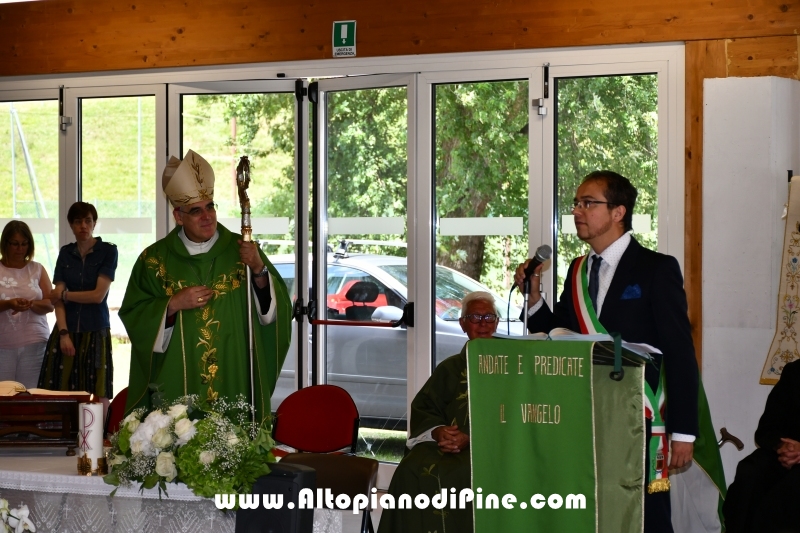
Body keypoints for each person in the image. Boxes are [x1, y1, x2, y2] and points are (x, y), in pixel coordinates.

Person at [514, 170, 699, 533]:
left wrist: (684, 433)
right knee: (594, 511)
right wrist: (534, 298)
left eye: (588, 203)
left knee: (646, 514)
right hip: (588, 412)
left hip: (639, 415)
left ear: (618, 212)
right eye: (576, 204)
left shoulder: (656, 268)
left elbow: (679, 351)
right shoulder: (578, 270)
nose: (578, 211)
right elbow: (560, 333)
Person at [119, 149, 292, 422]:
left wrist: (259, 269)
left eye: (210, 206)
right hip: (177, 382)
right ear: (178, 216)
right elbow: (134, 315)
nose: (207, 216)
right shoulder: (153, 261)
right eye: (196, 211)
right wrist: (173, 304)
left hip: (235, 377)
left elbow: (275, 313)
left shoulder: (242, 251)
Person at [378, 291, 499, 533]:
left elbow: (512, 415)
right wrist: (438, 432)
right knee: (411, 469)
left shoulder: (510, 367)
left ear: (496, 323)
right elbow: (426, 407)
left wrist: (470, 438)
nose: (483, 324)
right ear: (463, 324)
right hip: (446, 445)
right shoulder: (450, 368)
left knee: (462, 473)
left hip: (489, 446)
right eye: (475, 317)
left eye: (489, 317)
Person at [38, 202, 118, 398]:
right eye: (78, 221)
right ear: (71, 225)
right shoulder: (66, 253)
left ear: (94, 223)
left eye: (88, 221)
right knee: (58, 389)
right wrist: (64, 333)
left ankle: (99, 429)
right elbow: (57, 298)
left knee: (98, 391)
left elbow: (98, 295)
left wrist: (65, 296)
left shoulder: (108, 251)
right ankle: (61, 430)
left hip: (96, 329)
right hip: (67, 329)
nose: (83, 226)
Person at [723, 358, 800, 533]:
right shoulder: (794, 372)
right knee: (750, 473)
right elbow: (767, 429)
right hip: (787, 457)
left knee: (789, 489)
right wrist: (783, 447)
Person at [0, 221, 54, 389]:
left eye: (24, 244)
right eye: (15, 244)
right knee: (4, 395)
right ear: (5, 244)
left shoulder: (37, 269)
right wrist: (9, 304)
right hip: (3, 344)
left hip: (35, 342)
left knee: (31, 395)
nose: (20, 249)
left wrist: (30, 304)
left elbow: (50, 304)